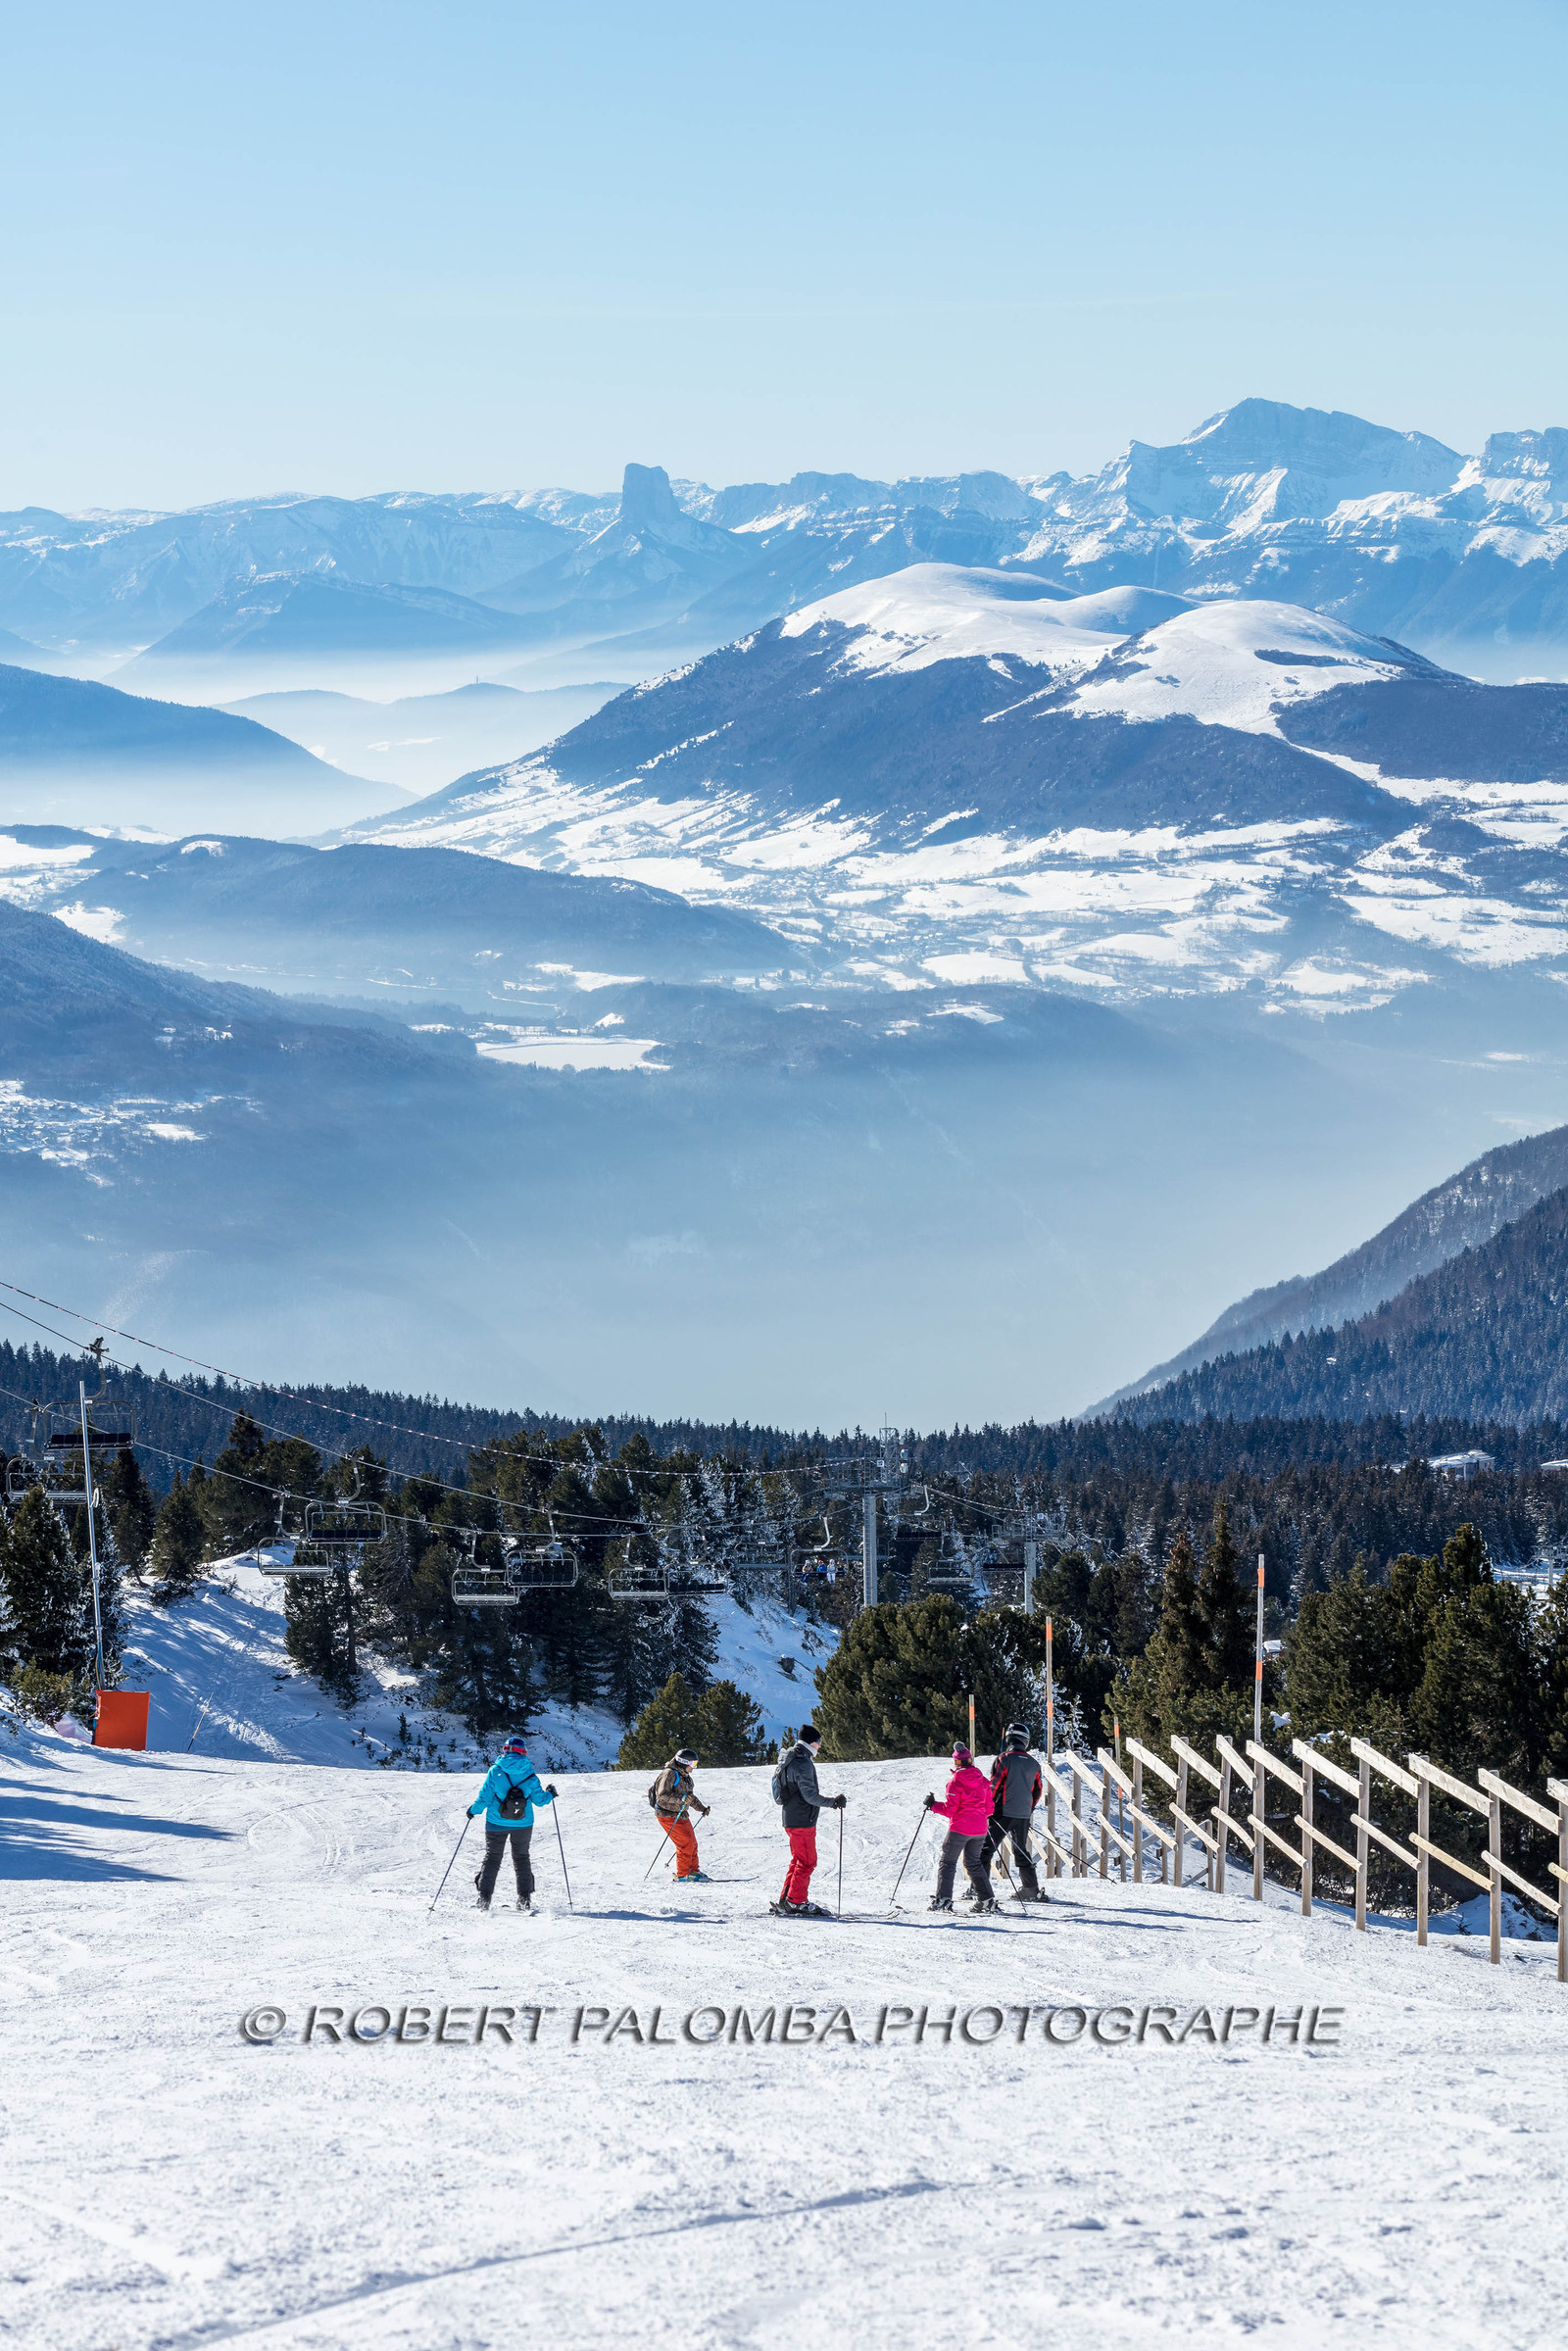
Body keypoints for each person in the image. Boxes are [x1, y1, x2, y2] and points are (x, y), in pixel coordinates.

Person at [467, 1733, 557, 1911]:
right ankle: (524, 1901)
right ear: (523, 1752)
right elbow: (539, 1800)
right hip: (523, 1824)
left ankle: (484, 1900)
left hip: (495, 1823)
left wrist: (472, 1811)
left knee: (492, 1858)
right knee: (522, 1858)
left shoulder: (495, 1772)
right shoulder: (530, 1775)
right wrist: (551, 1793)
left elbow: (484, 1798)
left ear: (505, 1751)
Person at [770, 1723, 847, 1919]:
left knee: (798, 1860)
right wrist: (833, 1803)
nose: (819, 1747)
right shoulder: (802, 1763)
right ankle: (795, 1902)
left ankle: (786, 1899)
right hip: (802, 1820)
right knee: (807, 1861)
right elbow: (810, 1796)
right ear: (812, 1742)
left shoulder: (790, 1759)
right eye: (819, 1743)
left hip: (792, 1817)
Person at [925, 1741, 995, 1912]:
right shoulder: (984, 1781)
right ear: (970, 1760)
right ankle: (987, 1899)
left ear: (956, 1763)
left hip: (960, 1828)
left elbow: (950, 1810)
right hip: (980, 1829)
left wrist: (933, 1805)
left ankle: (943, 1899)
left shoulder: (955, 1781)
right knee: (973, 1863)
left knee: (948, 1862)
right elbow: (990, 1809)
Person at [984, 1725, 1047, 1902]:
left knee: (986, 1848)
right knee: (1021, 1850)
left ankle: (979, 1887)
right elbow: (1038, 1791)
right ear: (1025, 1741)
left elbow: (993, 1786)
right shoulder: (1034, 1763)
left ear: (1009, 1739)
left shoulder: (1003, 1759)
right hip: (1023, 1815)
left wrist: (987, 1808)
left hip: (1001, 1812)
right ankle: (1030, 1888)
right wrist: (1029, 1808)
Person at [653, 1745, 710, 1882]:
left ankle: (693, 1871)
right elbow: (662, 1797)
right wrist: (681, 1799)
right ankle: (683, 1874)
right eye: (692, 1764)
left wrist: (702, 1808)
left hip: (680, 1813)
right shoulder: (669, 1774)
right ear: (683, 1762)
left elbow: (691, 1798)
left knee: (692, 1843)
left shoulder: (686, 1777)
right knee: (685, 1843)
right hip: (666, 1814)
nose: (694, 1767)